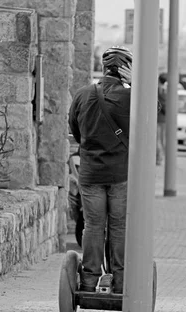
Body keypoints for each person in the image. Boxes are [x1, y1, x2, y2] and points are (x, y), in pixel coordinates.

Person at [68, 46, 133, 294]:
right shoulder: (131, 98)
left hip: (91, 172)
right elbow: (153, 112)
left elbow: (75, 129)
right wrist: (135, 84)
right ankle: (121, 281)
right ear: (125, 70)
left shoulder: (83, 95)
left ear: (104, 68)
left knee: (93, 226)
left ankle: (88, 280)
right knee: (118, 227)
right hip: (119, 174)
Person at [156, 74, 167, 166]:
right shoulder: (165, 90)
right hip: (163, 119)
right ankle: (160, 157)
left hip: (158, 118)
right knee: (161, 139)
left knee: (157, 139)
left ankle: (159, 157)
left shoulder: (158, 90)